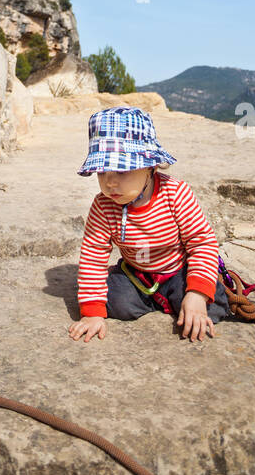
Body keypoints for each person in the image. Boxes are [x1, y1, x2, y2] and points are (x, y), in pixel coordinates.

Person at [68, 106, 231, 344]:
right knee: (116, 302)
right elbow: (93, 257)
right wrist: (92, 314)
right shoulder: (103, 207)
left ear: (150, 167)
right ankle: (158, 301)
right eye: (102, 172)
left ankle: (179, 300)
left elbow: (202, 244)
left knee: (212, 301)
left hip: (177, 271)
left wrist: (196, 294)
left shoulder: (175, 194)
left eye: (122, 170)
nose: (110, 182)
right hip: (136, 274)